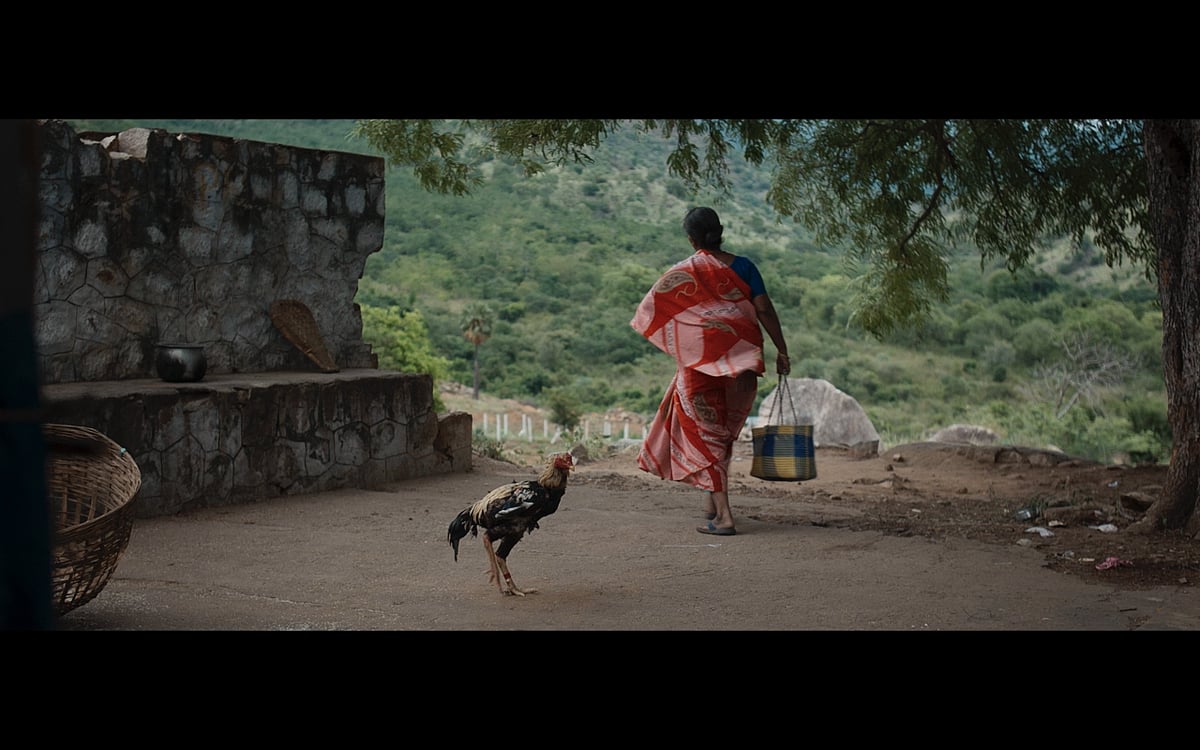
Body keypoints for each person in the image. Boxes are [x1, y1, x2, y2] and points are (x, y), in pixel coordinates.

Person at [631, 206, 790, 536]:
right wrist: (782, 350)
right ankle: (711, 503)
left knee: (706, 436)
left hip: (701, 369)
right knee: (722, 434)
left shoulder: (685, 271)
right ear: (720, 230)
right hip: (743, 364)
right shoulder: (746, 267)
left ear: (691, 239)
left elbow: (652, 309)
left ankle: (725, 518)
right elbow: (763, 308)